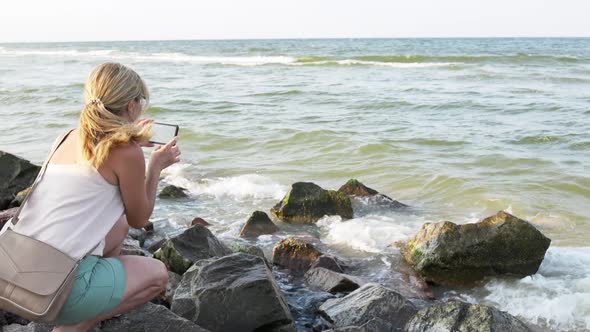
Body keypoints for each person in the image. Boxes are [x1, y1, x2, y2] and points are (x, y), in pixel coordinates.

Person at [0, 63, 181, 332]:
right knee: (158, 275)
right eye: (140, 101)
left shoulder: (66, 137)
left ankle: (97, 287)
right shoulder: (126, 152)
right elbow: (140, 217)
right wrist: (154, 166)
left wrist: (131, 140)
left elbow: (98, 173)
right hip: (50, 294)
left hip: (8, 270)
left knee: (117, 227)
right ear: (131, 107)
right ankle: (73, 326)